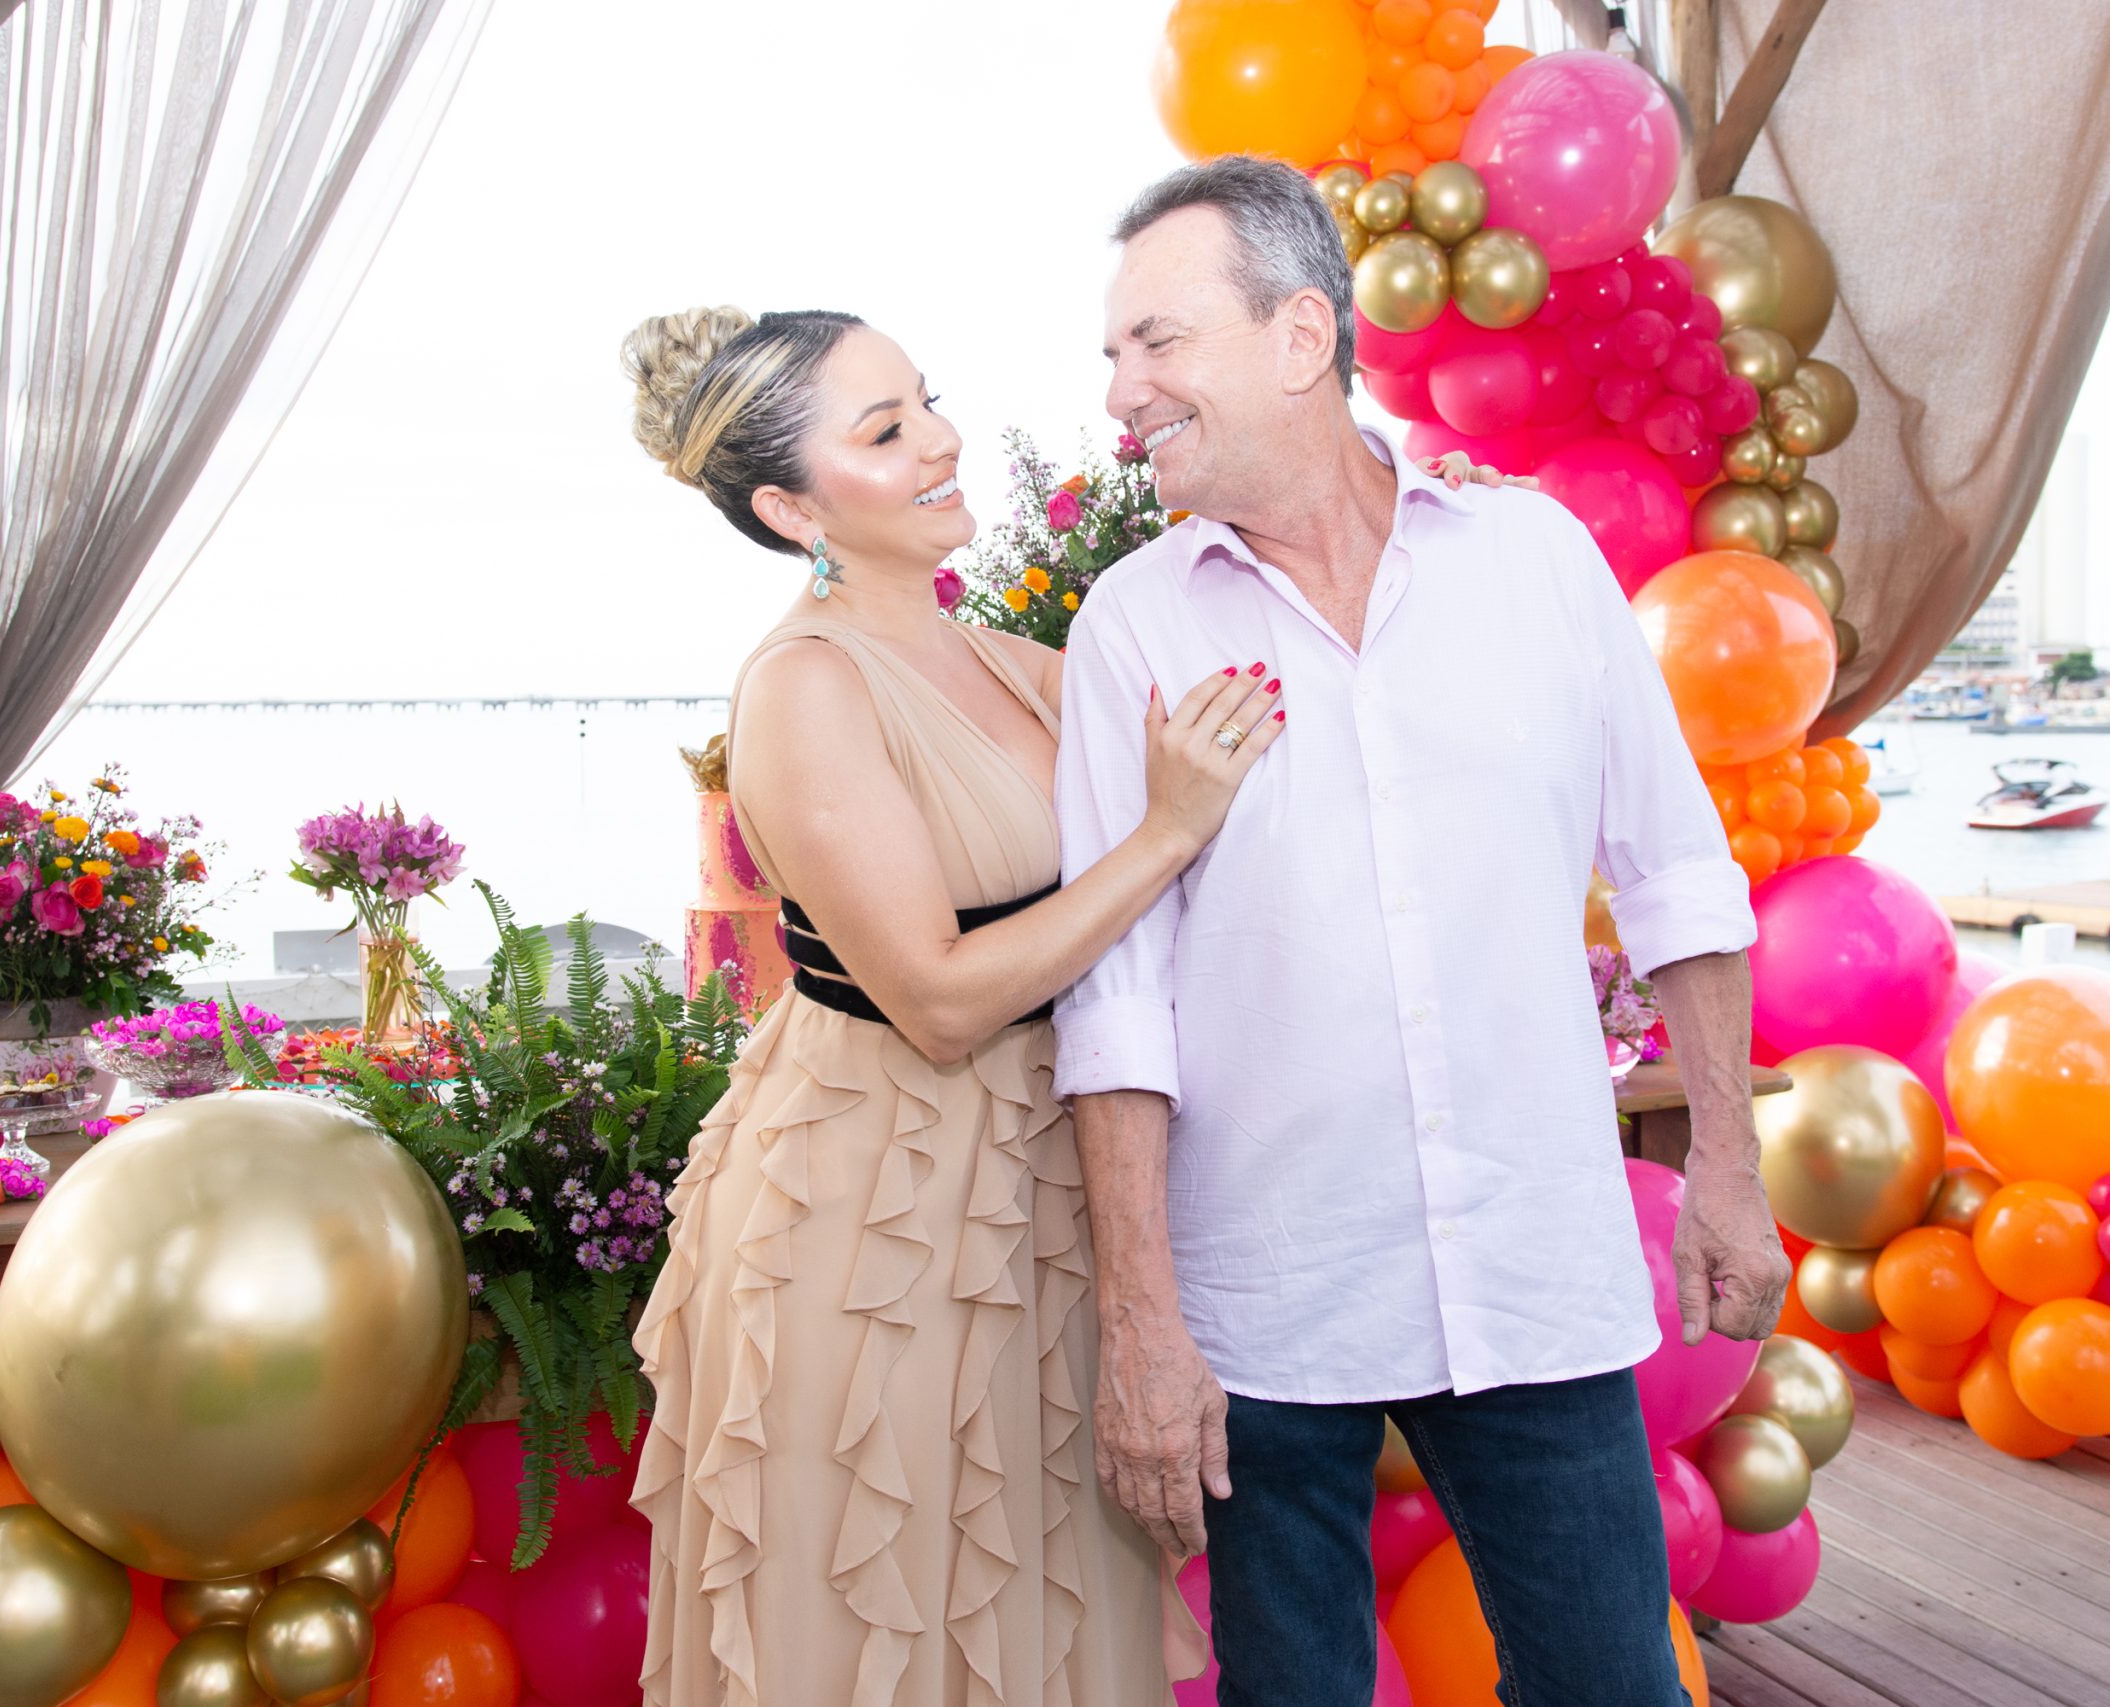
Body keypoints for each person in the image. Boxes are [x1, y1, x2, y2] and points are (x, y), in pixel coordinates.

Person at [619, 303, 1517, 1703]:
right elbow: (936, 998)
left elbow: (1265, 707)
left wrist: (1386, 525)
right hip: (883, 1224)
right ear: (794, 510)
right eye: (887, 430)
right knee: (901, 1617)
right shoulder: (803, 688)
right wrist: (1163, 835)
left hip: (1048, 1197)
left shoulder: (1001, 654)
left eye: (927, 401)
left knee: (1048, 1615)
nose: (942, 440)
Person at [1053, 157, 1785, 1707]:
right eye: (1114, 354)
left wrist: (1726, 1160)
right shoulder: (1130, 623)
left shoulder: (1538, 564)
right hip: (1265, 1306)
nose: (1120, 391)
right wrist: (1142, 1325)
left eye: (1156, 343)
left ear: (1300, 337)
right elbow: (1115, 1003)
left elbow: (1675, 873)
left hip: (1534, 1273)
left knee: (1615, 1690)